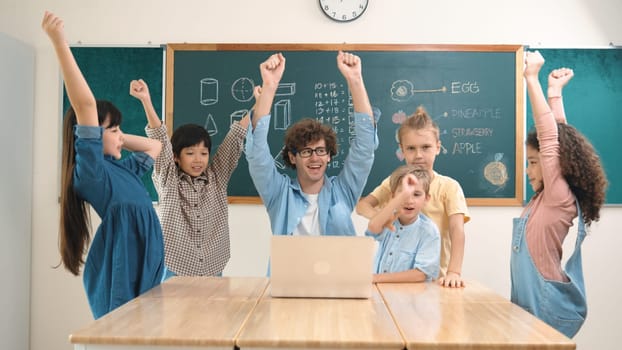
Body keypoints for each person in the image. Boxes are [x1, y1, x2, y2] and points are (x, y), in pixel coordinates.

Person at [42, 11, 164, 319]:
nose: (122, 137)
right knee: (121, 335)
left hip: (148, 269)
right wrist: (60, 42)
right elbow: (84, 105)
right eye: (114, 130)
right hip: (121, 273)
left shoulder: (125, 170)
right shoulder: (93, 174)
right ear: (92, 137)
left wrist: (118, 137)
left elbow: (156, 145)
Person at [512, 51, 607, 338]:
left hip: (544, 300)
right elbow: (559, 138)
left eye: (532, 161)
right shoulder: (543, 198)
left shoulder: (557, 196)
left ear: (553, 163)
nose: (528, 170)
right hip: (527, 298)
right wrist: (555, 93)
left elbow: (551, 138)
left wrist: (532, 79)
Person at [245, 51, 377, 236]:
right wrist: (270, 85)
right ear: (293, 157)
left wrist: (355, 80)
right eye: (306, 151)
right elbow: (256, 152)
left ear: (329, 155)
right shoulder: (278, 193)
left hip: (339, 265)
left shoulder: (343, 190)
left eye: (321, 150)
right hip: (290, 266)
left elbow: (365, 147)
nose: (315, 157)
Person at [130, 79, 251, 279]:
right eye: (190, 153)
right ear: (176, 156)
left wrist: (265, 96)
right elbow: (160, 139)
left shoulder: (216, 178)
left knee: (213, 311)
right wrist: (145, 100)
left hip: (213, 264)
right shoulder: (168, 179)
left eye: (204, 153)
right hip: (175, 266)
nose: (198, 160)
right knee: (171, 311)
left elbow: (235, 136)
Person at [356, 106, 469, 288]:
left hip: (434, 281)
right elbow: (362, 206)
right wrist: (382, 220)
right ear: (401, 150)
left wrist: (453, 272)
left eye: (425, 147)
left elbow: (457, 231)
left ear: (438, 147)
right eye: (411, 148)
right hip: (392, 281)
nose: (418, 155)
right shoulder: (394, 183)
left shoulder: (449, 187)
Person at [366, 165, 440, 283]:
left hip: (412, 296)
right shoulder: (388, 219)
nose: (409, 200)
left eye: (416, 194)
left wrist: (376, 278)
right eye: (404, 195)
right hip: (381, 293)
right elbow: (373, 227)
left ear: (426, 199)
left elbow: (421, 274)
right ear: (393, 197)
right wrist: (397, 200)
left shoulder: (429, 231)